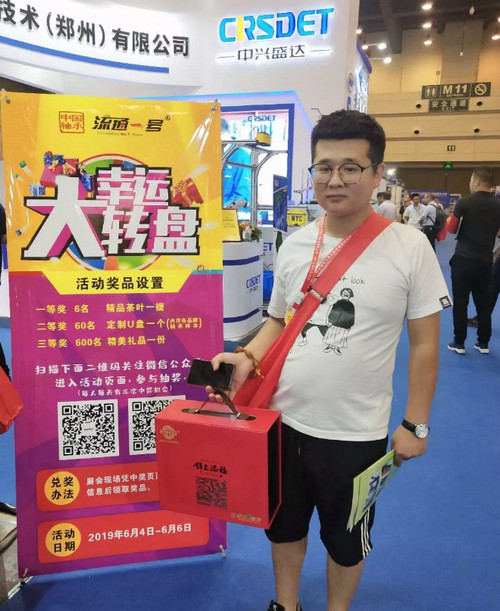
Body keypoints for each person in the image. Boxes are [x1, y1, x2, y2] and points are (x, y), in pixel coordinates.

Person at [208, 109, 450, 611]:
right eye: (324, 167)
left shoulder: (409, 247)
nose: (334, 179)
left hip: (356, 433)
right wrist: (247, 358)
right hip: (281, 422)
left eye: (350, 167)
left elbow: (426, 343)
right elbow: (278, 320)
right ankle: (286, 604)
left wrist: (417, 424)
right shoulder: (296, 243)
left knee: (346, 541)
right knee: (283, 526)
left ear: (376, 174)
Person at [447, 168, 500, 355]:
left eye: (470, 180)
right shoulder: (498, 205)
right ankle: (483, 343)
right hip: (485, 261)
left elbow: (451, 228)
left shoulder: (464, 202)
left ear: (476, 181)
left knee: (461, 302)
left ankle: (459, 342)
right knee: (483, 304)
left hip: (463, 259)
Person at [221, 118, 252, 209]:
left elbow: (242, 195)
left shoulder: (242, 157)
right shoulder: (208, 154)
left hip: (232, 212)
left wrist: (225, 208)